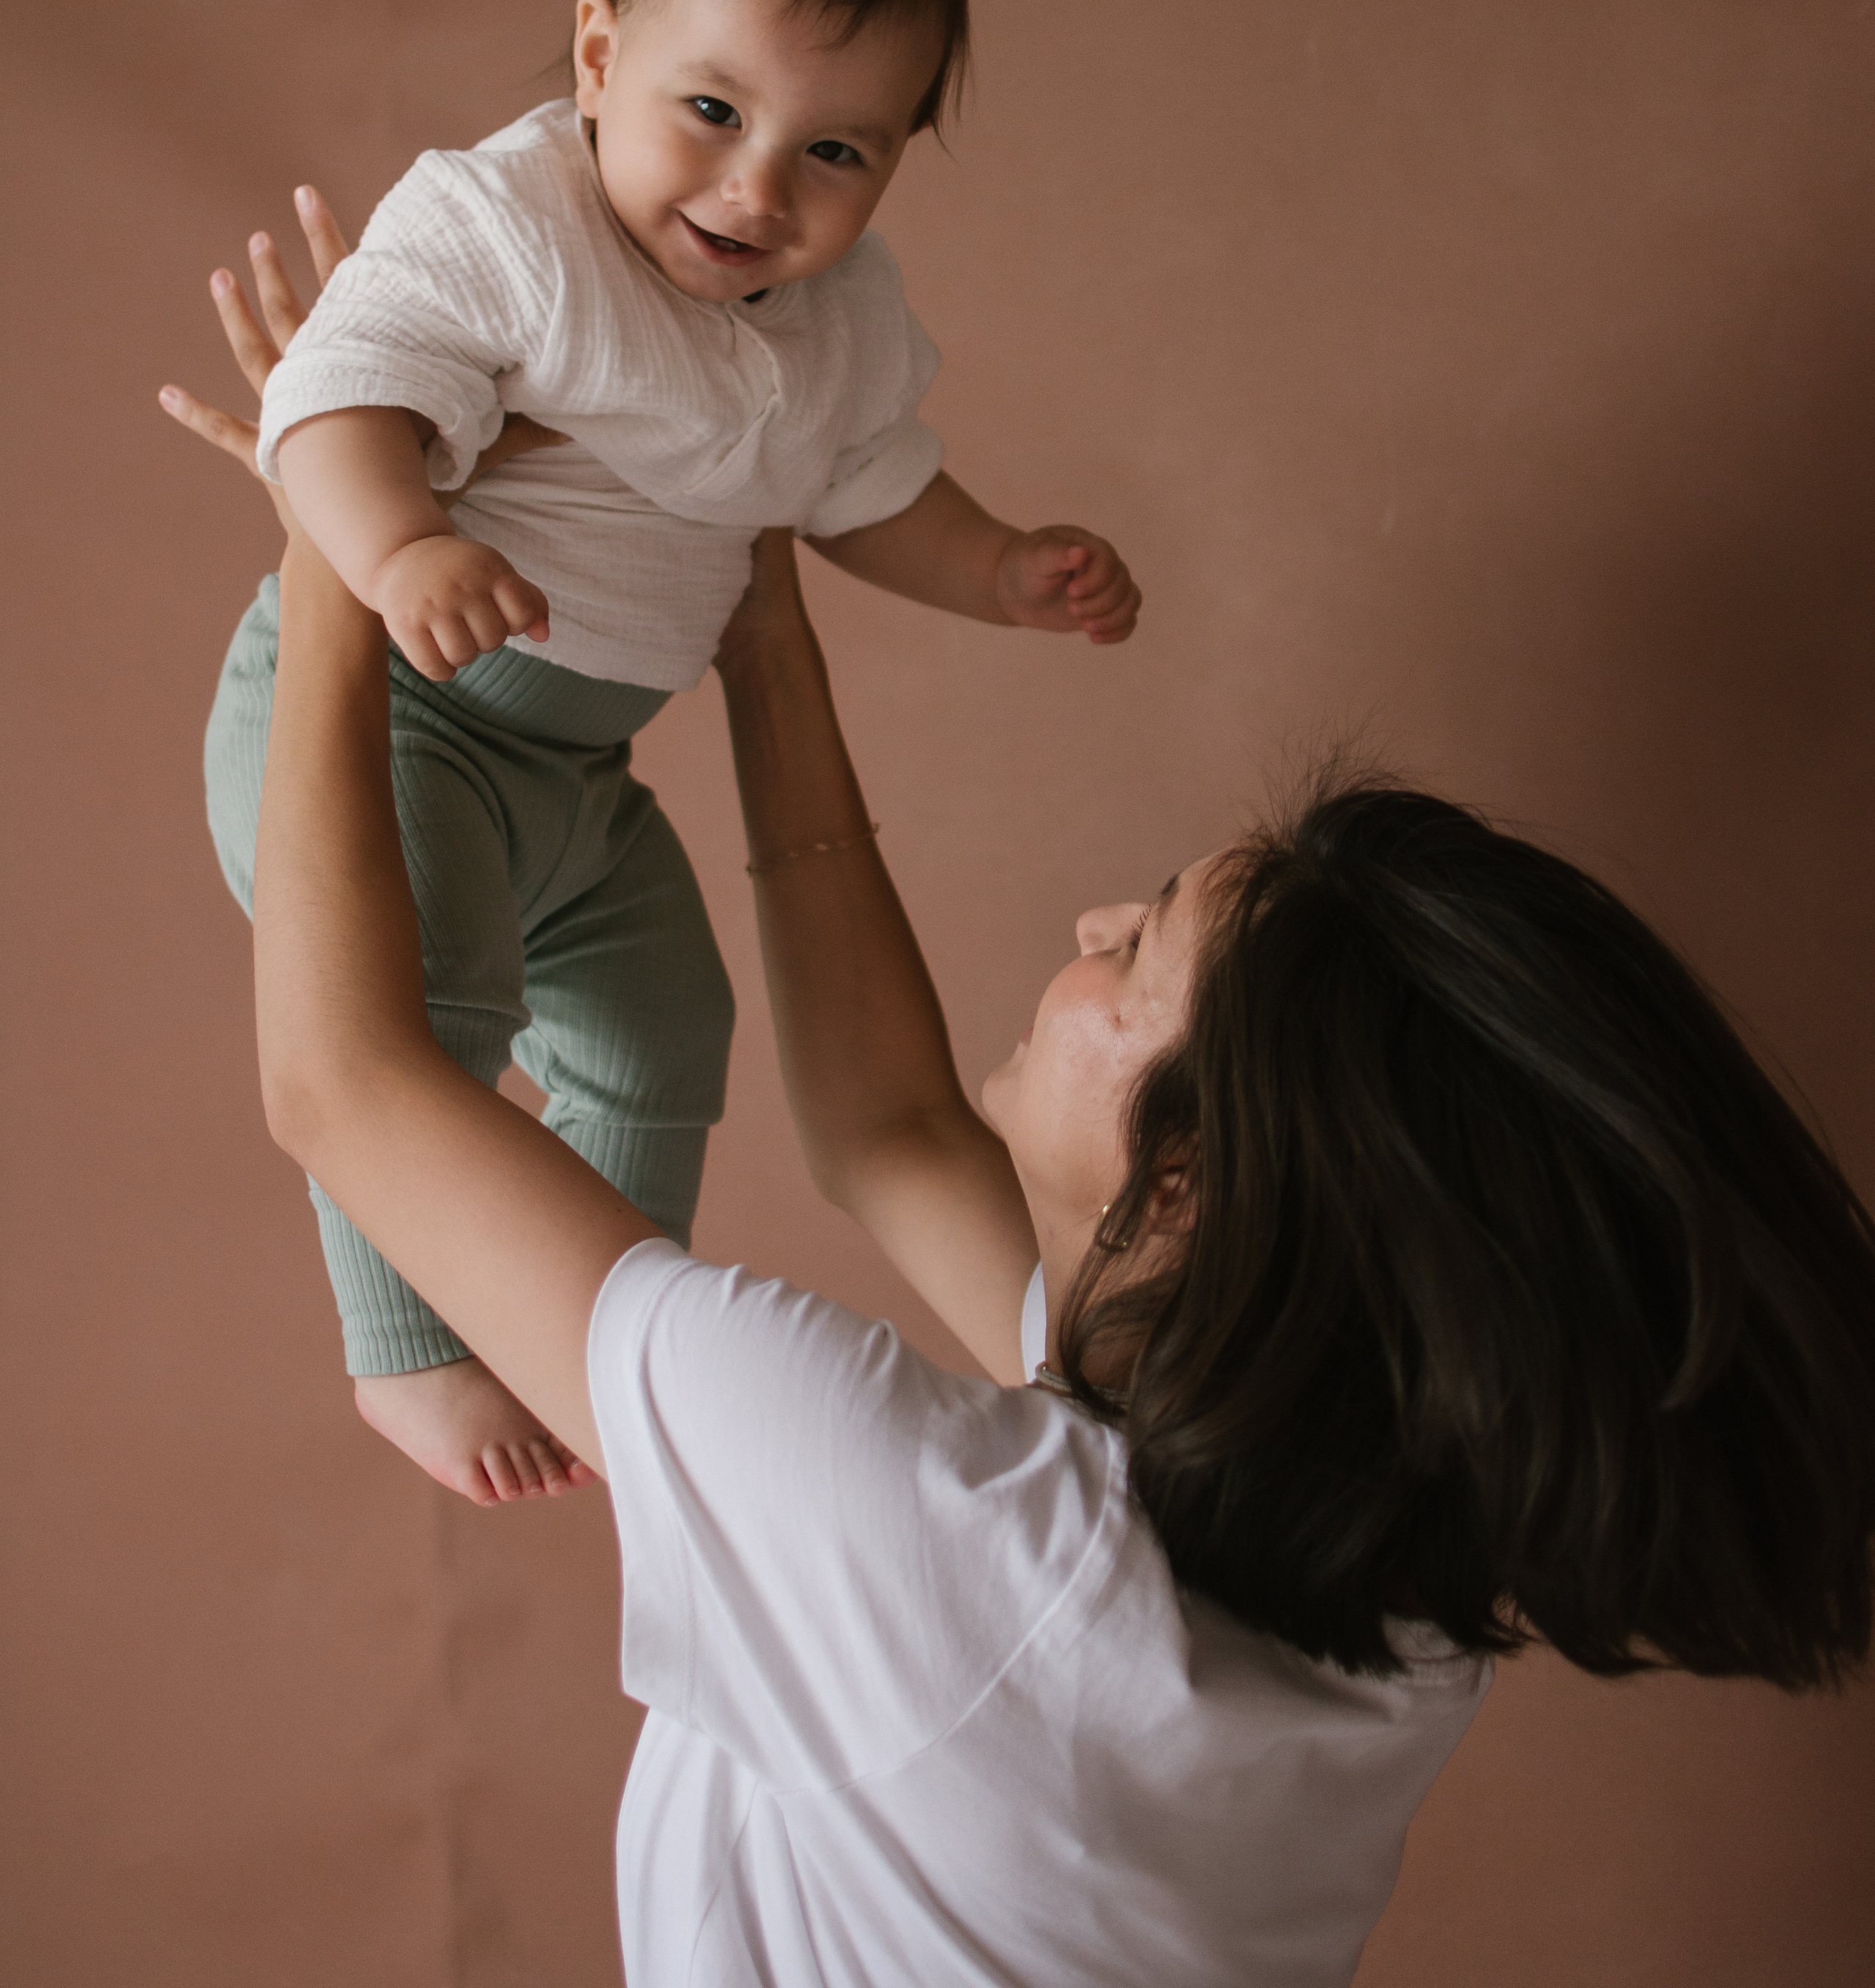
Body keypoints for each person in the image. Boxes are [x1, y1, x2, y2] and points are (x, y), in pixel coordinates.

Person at [162, 216, 1875, 1988]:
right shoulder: (1363, 1591)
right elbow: (892, 1130)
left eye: (1132, 960)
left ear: (1198, 1185)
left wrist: (329, 530)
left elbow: (351, 1085)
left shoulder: (928, 1527)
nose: (1085, 926)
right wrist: (759, 612)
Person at [198, 0, 1140, 1504]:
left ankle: (595, 1336)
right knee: (432, 1006)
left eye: (837, 153)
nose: (757, 187)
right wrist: (399, 541)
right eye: (710, 109)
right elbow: (327, 396)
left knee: (665, 1025)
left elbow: (867, 494)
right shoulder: (508, 225)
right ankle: (404, 1354)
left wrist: (995, 567)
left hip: (580, 775)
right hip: (397, 722)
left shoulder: (842, 328)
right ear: (596, 49)